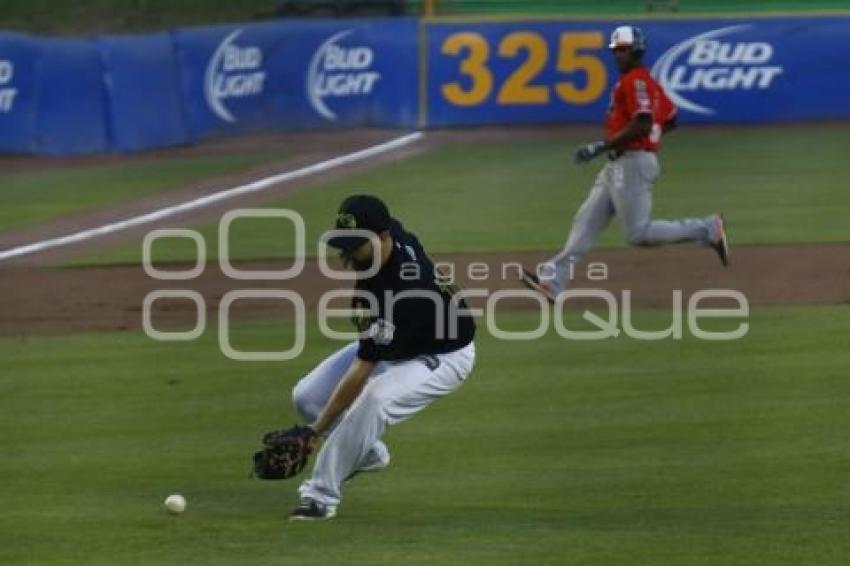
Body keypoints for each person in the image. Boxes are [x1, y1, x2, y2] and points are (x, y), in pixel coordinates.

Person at [289, 194, 476, 520]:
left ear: (382, 237)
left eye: (355, 245)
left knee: (373, 399)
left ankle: (320, 497)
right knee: (306, 396)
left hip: (441, 355)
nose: (347, 254)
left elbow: (362, 371)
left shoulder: (403, 290)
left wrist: (315, 432)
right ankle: (367, 453)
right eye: (343, 244)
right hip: (401, 341)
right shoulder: (390, 237)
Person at [521, 25, 729, 303]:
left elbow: (643, 122)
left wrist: (604, 145)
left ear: (637, 50)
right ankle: (553, 281)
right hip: (620, 162)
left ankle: (708, 228)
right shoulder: (646, 83)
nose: (618, 55)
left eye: (624, 50)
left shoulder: (636, 81)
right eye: (616, 50)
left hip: (631, 163)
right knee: (586, 222)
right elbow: (670, 118)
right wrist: (649, 140)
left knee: (638, 234)